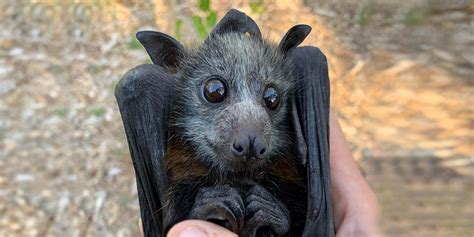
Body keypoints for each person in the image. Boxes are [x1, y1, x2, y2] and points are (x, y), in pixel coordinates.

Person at [143, 113, 381, 237]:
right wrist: (194, 210)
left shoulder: (291, 161)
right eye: (215, 92)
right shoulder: (181, 153)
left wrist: (285, 221)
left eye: (270, 100)